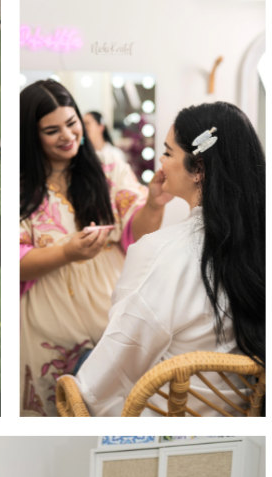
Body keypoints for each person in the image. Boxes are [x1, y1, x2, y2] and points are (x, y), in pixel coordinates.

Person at [57, 102, 265, 417]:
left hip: (164, 418)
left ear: (199, 169)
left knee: (83, 361)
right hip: (229, 411)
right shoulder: (262, 244)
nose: (160, 161)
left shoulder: (158, 252)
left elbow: (100, 382)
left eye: (167, 152)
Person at [20, 79, 172, 416]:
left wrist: (155, 205)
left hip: (111, 312)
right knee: (58, 407)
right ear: (31, 135)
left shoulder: (109, 168)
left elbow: (139, 232)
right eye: (51, 130)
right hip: (47, 322)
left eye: (72, 123)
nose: (68, 135)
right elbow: (14, 261)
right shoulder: (19, 186)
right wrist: (65, 253)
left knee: (119, 406)